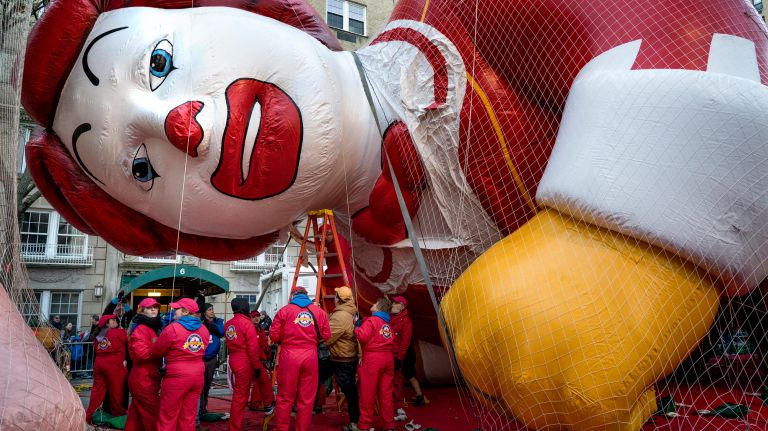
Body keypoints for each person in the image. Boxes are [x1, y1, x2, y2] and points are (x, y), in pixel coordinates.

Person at [270, 287, 331, 431]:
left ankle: (281, 428)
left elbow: (273, 335)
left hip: (289, 355)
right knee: (307, 398)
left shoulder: (284, 311)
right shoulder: (319, 312)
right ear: (306, 296)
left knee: (285, 397)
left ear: (292, 296)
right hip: (310, 355)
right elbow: (327, 335)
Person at [154, 298, 210, 431]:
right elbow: (204, 348)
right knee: (188, 416)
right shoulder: (204, 329)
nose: (173, 310)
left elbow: (158, 350)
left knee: (168, 416)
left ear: (185, 311)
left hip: (177, 375)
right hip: (197, 374)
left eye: (176, 309)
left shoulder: (172, 328)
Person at [316, 286, 360, 430]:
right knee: (316, 377)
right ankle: (355, 420)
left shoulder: (341, 315)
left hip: (341, 359)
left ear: (338, 299)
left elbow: (328, 336)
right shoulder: (348, 311)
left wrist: (313, 340)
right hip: (343, 356)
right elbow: (333, 324)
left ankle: (355, 421)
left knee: (349, 390)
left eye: (335, 296)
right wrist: (320, 313)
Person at [355, 297, 396, 431]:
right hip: (388, 359)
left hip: (373, 359)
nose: (372, 304)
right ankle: (389, 425)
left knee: (367, 394)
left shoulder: (372, 321)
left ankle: (364, 425)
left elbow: (362, 336)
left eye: (375, 303)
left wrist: (356, 327)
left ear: (379, 307)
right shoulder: (388, 323)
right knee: (386, 395)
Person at [222, 298, 262, 430]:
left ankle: (235, 425)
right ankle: (235, 426)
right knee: (240, 396)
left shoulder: (229, 323)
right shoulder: (246, 323)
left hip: (233, 358)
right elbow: (253, 348)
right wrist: (256, 366)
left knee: (238, 394)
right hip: (244, 359)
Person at [125, 298, 163, 431]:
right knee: (153, 415)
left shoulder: (153, 327)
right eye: (149, 307)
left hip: (147, 377)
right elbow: (141, 354)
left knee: (135, 417)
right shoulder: (141, 329)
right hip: (143, 379)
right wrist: (161, 348)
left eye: (155, 307)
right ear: (142, 310)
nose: (153, 309)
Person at [85, 314, 128, 423]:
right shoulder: (118, 332)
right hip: (113, 364)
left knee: (97, 391)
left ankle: (89, 415)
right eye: (112, 320)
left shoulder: (100, 334)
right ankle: (118, 414)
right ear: (107, 323)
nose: (115, 320)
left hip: (99, 363)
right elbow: (130, 339)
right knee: (116, 391)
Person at [390, 295, 413, 421]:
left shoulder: (406, 322)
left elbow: (405, 342)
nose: (392, 305)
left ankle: (398, 406)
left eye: (395, 303)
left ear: (402, 306)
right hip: (385, 354)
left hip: (395, 357)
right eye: (392, 303)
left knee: (396, 382)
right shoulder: (388, 317)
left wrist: (399, 359)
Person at [248, 310, 275, 414]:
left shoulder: (259, 328)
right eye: (254, 317)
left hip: (259, 358)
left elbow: (263, 343)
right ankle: (256, 403)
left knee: (260, 381)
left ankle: (259, 402)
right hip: (254, 359)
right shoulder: (252, 329)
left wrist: (267, 352)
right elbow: (255, 346)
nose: (256, 318)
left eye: (258, 316)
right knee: (259, 381)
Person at [200, 303, 224, 416]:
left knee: (207, 384)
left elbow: (221, 333)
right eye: (209, 309)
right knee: (200, 385)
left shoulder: (218, 321)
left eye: (212, 309)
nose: (212, 311)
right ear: (204, 312)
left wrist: (211, 324)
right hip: (201, 358)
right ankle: (199, 408)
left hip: (212, 358)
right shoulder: (200, 323)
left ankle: (203, 407)